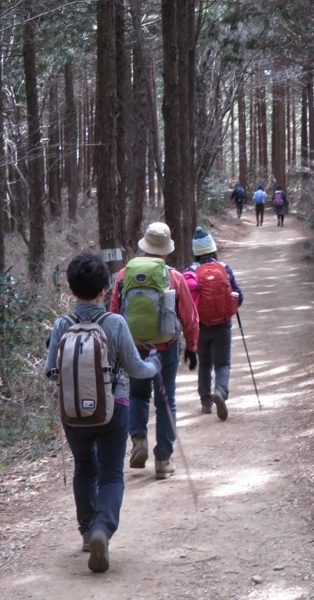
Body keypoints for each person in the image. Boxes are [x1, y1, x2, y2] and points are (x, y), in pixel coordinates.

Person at [45, 252, 162, 573]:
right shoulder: (114, 323)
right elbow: (137, 369)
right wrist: (154, 364)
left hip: (72, 414)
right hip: (114, 408)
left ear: (71, 291)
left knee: (84, 468)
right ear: (104, 290)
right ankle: (102, 529)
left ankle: (86, 532)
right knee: (111, 474)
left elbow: (49, 369)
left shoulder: (61, 325)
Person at [110, 222, 199, 480]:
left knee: (138, 396)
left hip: (134, 346)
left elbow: (114, 314)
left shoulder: (123, 275)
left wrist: (117, 348)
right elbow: (190, 317)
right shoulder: (174, 277)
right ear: (165, 250)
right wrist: (192, 347)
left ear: (145, 246)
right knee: (165, 401)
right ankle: (163, 460)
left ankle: (138, 439)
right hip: (165, 347)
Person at [182, 227, 243, 421]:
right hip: (222, 325)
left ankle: (206, 402)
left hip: (201, 326)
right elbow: (239, 297)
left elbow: (186, 301)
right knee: (223, 363)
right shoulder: (224, 268)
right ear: (213, 249)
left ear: (195, 251)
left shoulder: (190, 272)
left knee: (205, 364)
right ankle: (221, 392)